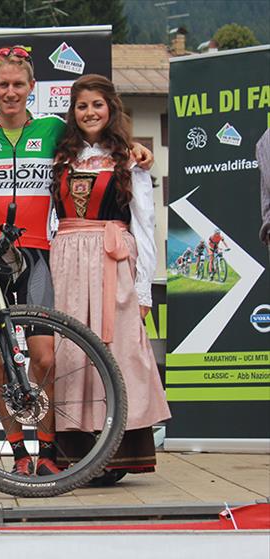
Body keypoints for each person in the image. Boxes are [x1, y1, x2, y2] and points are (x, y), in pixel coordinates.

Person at [0, 47, 153, 477]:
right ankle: (19, 454)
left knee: (45, 357)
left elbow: (96, 137)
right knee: (2, 361)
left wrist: (134, 147)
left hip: (38, 253)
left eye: (18, 85)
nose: (10, 92)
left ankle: (47, 451)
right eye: (2, 84)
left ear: (32, 89)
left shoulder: (52, 132)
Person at [49, 74, 171, 483]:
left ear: (111, 108)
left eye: (97, 105)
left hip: (111, 259)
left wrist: (142, 289)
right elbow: (52, 217)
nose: (89, 113)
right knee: (72, 354)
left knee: (118, 349)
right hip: (67, 262)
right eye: (82, 106)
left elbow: (144, 223)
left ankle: (121, 451)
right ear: (73, 112)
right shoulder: (61, 158)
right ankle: (76, 453)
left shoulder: (130, 160)